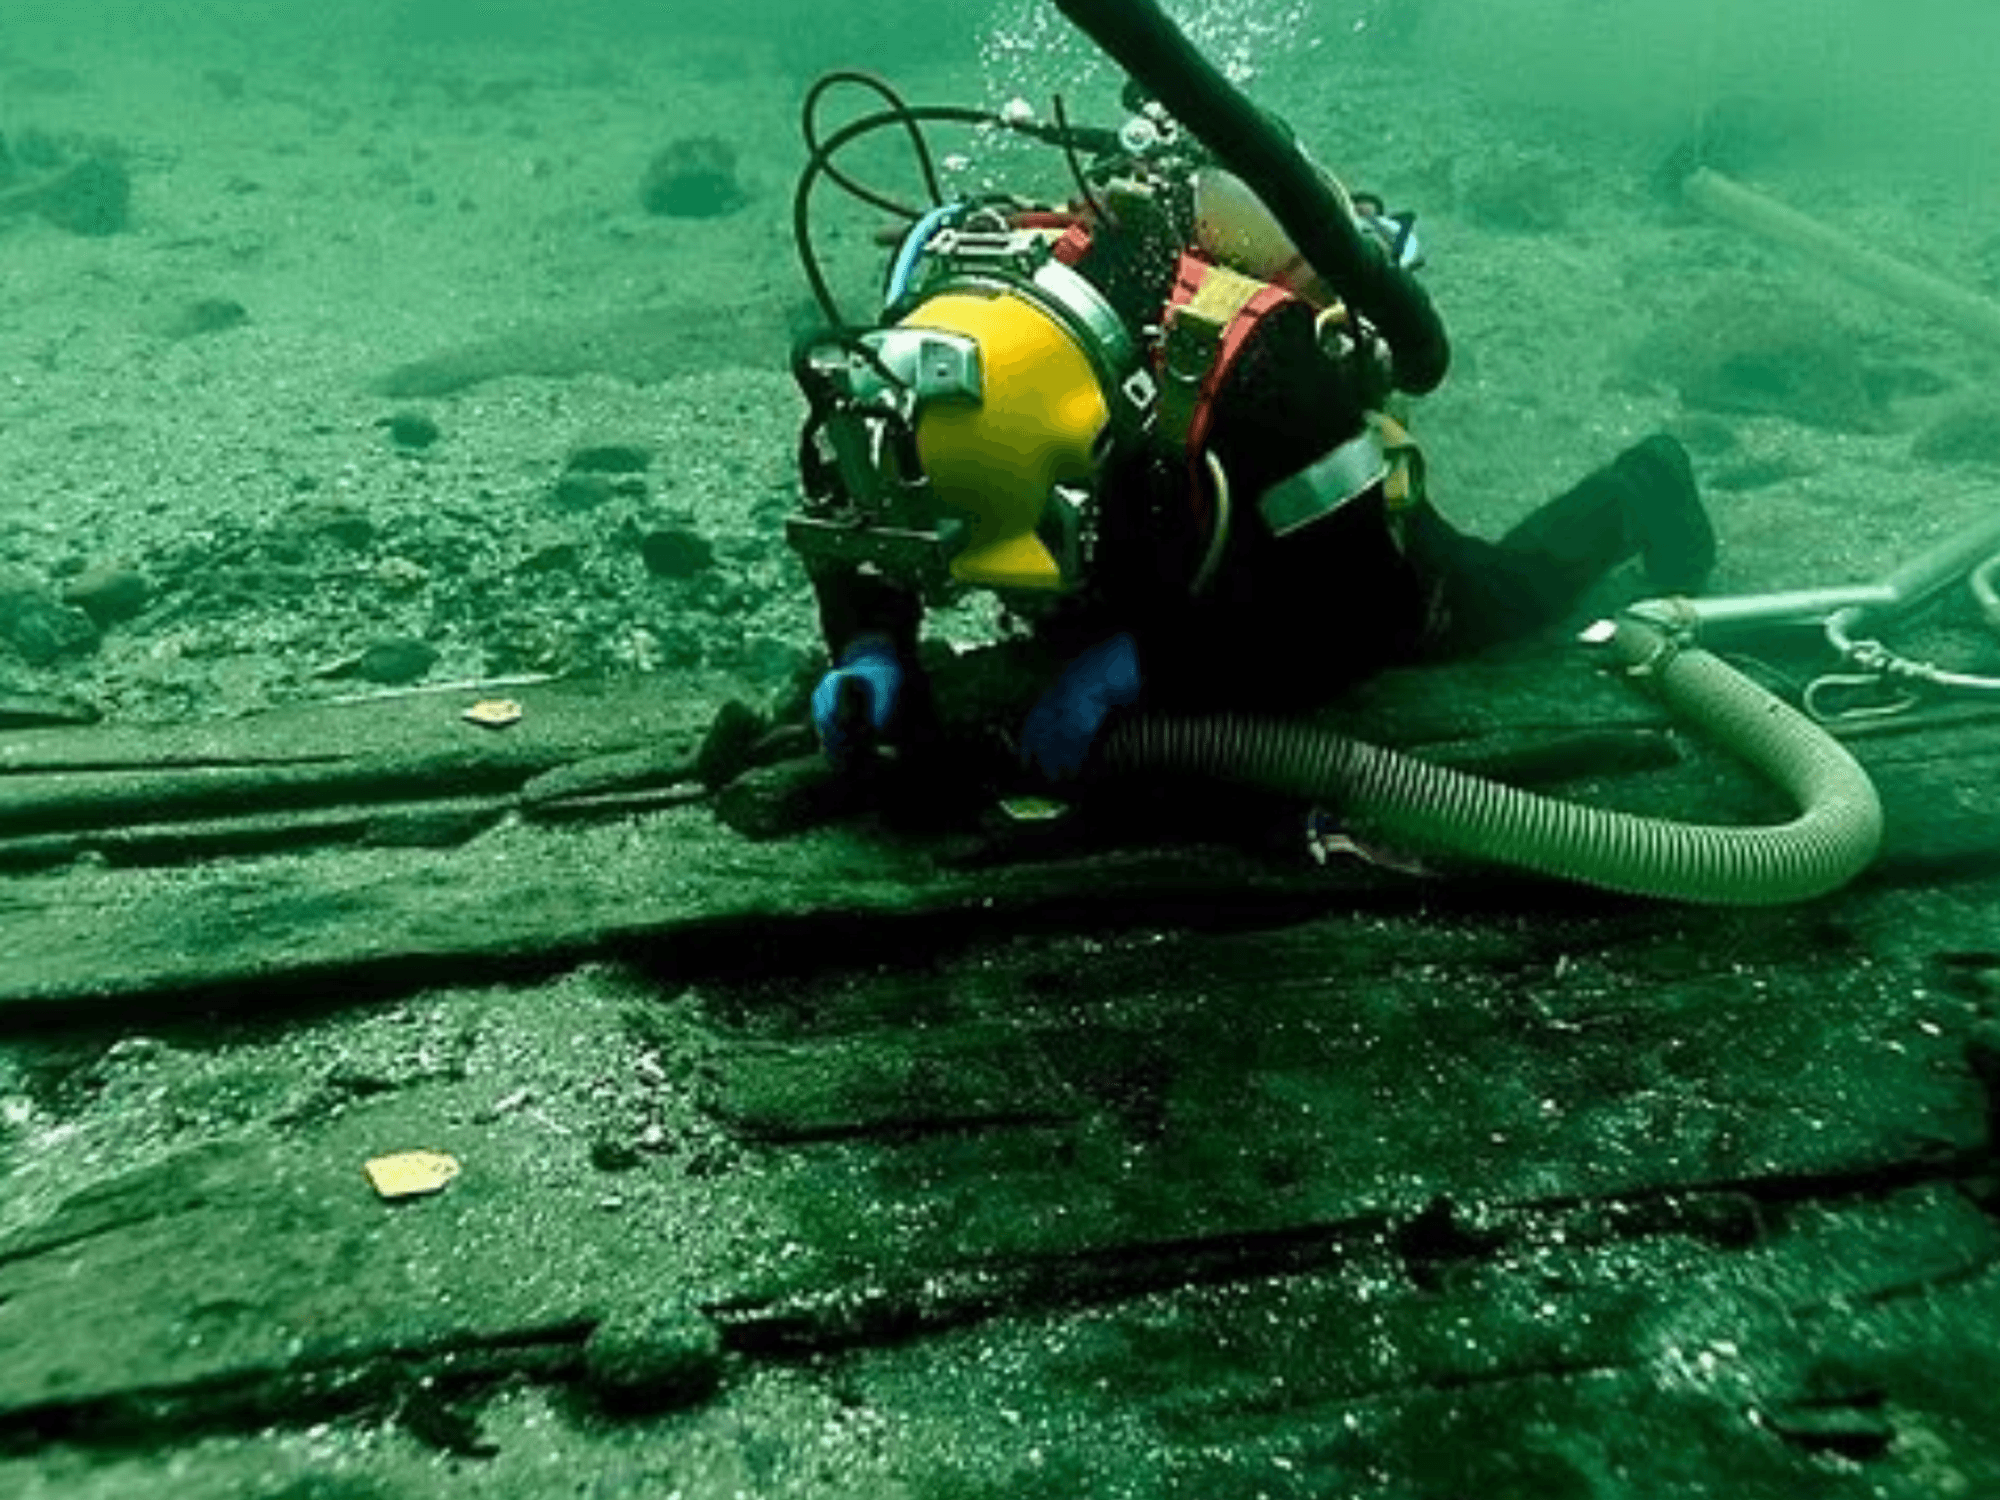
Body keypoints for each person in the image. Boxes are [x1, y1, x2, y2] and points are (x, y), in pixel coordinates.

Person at [787, 91, 1714, 787]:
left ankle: (1642, 487)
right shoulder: (905, 376)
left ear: (1100, 441)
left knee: (1473, 607)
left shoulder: (1265, 372)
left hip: (1295, 537)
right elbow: (858, 522)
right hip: (1172, 519)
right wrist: (872, 646)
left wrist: (1157, 665)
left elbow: (1347, 613)